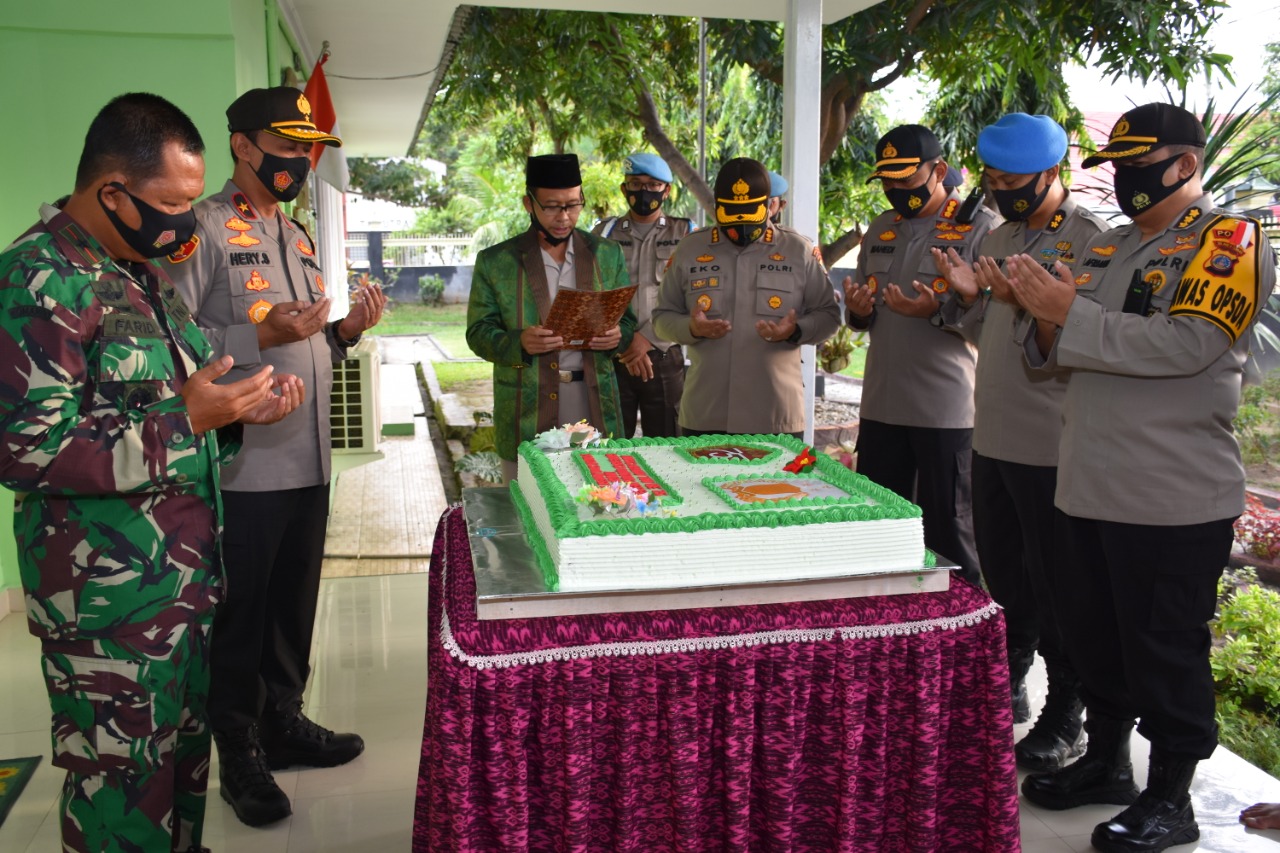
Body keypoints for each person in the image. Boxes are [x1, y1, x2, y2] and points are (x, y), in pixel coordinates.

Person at [0, 92, 303, 853]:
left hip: (181, 590)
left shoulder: (138, 274)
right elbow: (23, 449)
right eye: (170, 204)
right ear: (112, 192)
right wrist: (189, 421)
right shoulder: (37, 279)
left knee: (180, 776)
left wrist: (237, 412)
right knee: (121, 796)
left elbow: (179, 400)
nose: (184, 221)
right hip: (107, 606)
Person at [1007, 102, 1276, 852]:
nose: (1125, 178)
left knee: (1164, 648)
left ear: (1185, 164)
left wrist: (1070, 314)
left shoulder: (1228, 242)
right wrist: (1047, 317)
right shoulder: (1110, 246)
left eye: (1138, 164)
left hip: (1169, 493)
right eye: (1117, 166)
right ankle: (1106, 764)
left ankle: (1171, 797)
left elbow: (1189, 344)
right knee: (1094, 637)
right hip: (1087, 481)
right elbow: (1053, 357)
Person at [164, 86, 386, 828]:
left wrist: (344, 332)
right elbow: (172, 339)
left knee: (293, 603)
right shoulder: (203, 229)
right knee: (243, 613)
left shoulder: (295, 234)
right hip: (246, 466)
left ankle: (282, 721)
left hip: (309, 457)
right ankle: (238, 750)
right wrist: (257, 337)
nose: (300, 160)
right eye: (287, 146)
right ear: (243, 145)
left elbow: (307, 339)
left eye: (306, 149)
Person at [932, 113, 1109, 768]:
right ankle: (1009, 682)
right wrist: (967, 298)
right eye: (994, 181)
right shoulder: (1000, 235)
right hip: (995, 433)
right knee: (1006, 573)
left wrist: (1030, 303)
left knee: (1058, 582)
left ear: (1051, 173)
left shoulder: (1091, 240)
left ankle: (1068, 711)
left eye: (1014, 182)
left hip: (1052, 441)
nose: (1002, 192)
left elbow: (1087, 336)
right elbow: (987, 332)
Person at [843, 124, 998, 585]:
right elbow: (864, 312)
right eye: (887, 181)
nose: (897, 190)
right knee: (880, 527)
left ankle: (960, 624)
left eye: (906, 179)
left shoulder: (980, 229)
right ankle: (886, 618)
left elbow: (993, 323)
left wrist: (939, 311)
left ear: (939, 170)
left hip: (944, 410)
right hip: (882, 405)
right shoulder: (881, 227)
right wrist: (858, 312)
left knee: (950, 531)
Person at [467, 153, 635, 481]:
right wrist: (519, 342)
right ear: (528, 204)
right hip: (526, 407)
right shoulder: (497, 261)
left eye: (573, 205)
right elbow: (478, 332)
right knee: (527, 500)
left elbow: (627, 321)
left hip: (592, 401)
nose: (564, 216)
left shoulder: (606, 254)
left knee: (596, 495)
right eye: (552, 206)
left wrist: (618, 336)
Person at [652, 156, 839, 436]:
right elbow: (662, 317)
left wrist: (795, 330)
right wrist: (691, 328)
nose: (740, 226)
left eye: (750, 214)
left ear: (769, 206)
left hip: (775, 415)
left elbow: (829, 316)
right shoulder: (690, 249)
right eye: (732, 214)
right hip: (706, 413)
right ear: (718, 207)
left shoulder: (798, 251)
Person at [591, 153, 691, 438]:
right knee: (610, 444)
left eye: (653, 185)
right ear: (624, 189)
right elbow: (593, 291)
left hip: (664, 354)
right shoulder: (604, 233)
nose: (644, 191)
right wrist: (626, 341)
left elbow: (694, 295)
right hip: (615, 355)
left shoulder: (687, 233)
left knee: (667, 445)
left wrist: (647, 339)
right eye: (635, 184)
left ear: (666, 191)